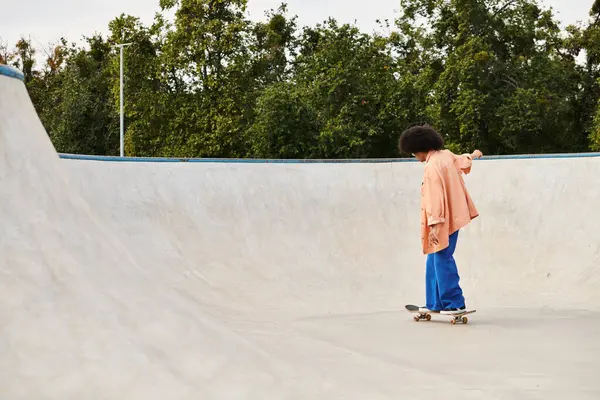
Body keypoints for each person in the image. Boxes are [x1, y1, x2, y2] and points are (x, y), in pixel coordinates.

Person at [398, 124, 483, 315]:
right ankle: (435, 302)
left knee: (442, 258)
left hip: (442, 219)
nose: (414, 157)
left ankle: (455, 302)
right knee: (433, 258)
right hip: (454, 215)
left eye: (413, 153)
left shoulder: (431, 168)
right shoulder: (445, 155)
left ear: (420, 149)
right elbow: (462, 161)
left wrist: (435, 225)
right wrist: (474, 155)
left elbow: (434, 198)